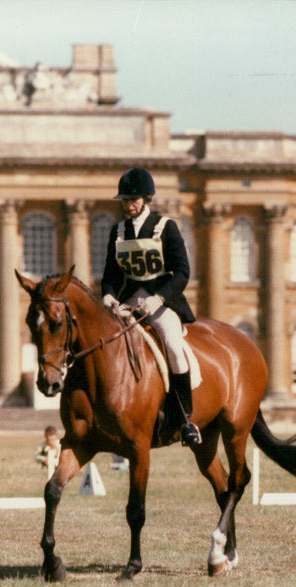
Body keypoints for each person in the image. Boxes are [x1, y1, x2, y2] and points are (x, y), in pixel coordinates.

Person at [100, 167, 202, 446]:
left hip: (161, 300)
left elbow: (182, 271)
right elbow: (110, 275)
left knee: (172, 344)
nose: (129, 205)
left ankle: (185, 419)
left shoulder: (165, 227)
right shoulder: (118, 231)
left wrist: (161, 298)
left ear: (145, 199)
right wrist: (108, 296)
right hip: (130, 300)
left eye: (133, 200)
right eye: (125, 201)